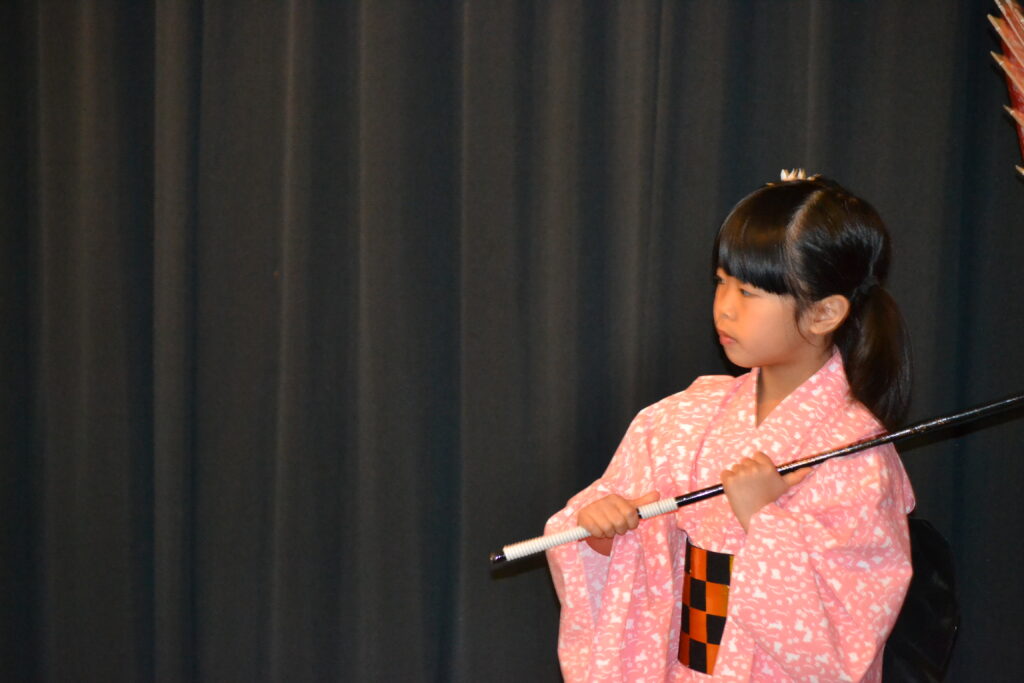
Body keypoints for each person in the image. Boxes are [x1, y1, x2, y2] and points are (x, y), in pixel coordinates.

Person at [545, 171, 916, 682]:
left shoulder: (855, 454)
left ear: (824, 312)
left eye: (749, 292)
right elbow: (601, 539)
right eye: (721, 282)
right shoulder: (677, 421)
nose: (725, 307)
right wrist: (602, 532)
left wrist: (763, 518)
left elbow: (849, 630)